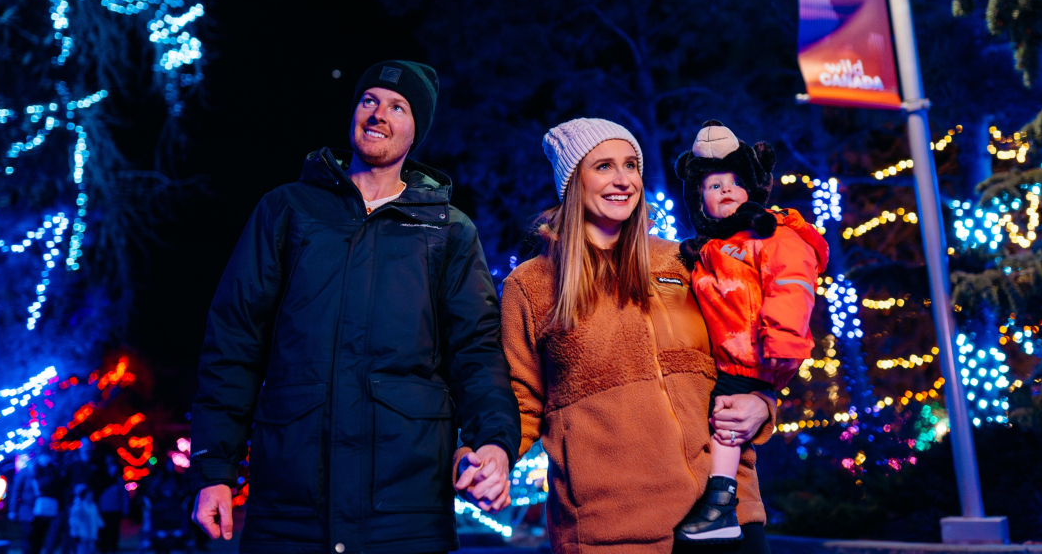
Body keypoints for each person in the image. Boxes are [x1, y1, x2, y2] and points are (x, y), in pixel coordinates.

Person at [189, 60, 520, 554]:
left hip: (404, 509)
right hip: (291, 506)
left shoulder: (449, 231)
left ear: (415, 131)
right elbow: (234, 341)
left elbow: (477, 351)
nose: (378, 114)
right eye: (369, 100)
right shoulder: (288, 210)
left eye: (397, 106)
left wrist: (493, 441)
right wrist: (215, 470)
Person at [501, 118, 780, 554]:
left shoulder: (686, 260)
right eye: (604, 166)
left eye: (631, 165)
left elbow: (751, 343)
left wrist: (763, 404)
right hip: (612, 530)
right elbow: (521, 401)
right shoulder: (532, 284)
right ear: (573, 181)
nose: (623, 179)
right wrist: (488, 456)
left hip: (727, 515)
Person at [672, 121, 828, 543]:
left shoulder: (772, 234)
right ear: (698, 199)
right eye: (712, 185)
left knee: (726, 419)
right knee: (722, 417)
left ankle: (722, 502)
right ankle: (720, 501)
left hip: (754, 352)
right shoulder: (707, 249)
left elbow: (791, 285)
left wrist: (781, 341)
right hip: (729, 355)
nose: (724, 190)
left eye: (735, 182)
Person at [95, 454, 129, 554]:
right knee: (103, 532)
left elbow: (124, 495)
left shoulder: (119, 480)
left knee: (114, 532)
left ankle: (113, 549)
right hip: (103, 510)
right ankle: (103, 549)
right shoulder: (100, 480)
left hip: (115, 510)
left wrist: (125, 509)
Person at [68, 484, 103, 554]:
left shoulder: (93, 506)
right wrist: (75, 533)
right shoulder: (78, 507)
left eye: (91, 494)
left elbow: (96, 517)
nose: (90, 495)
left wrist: (101, 526)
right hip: (82, 535)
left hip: (92, 534)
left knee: (91, 550)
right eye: (88, 494)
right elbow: (74, 520)